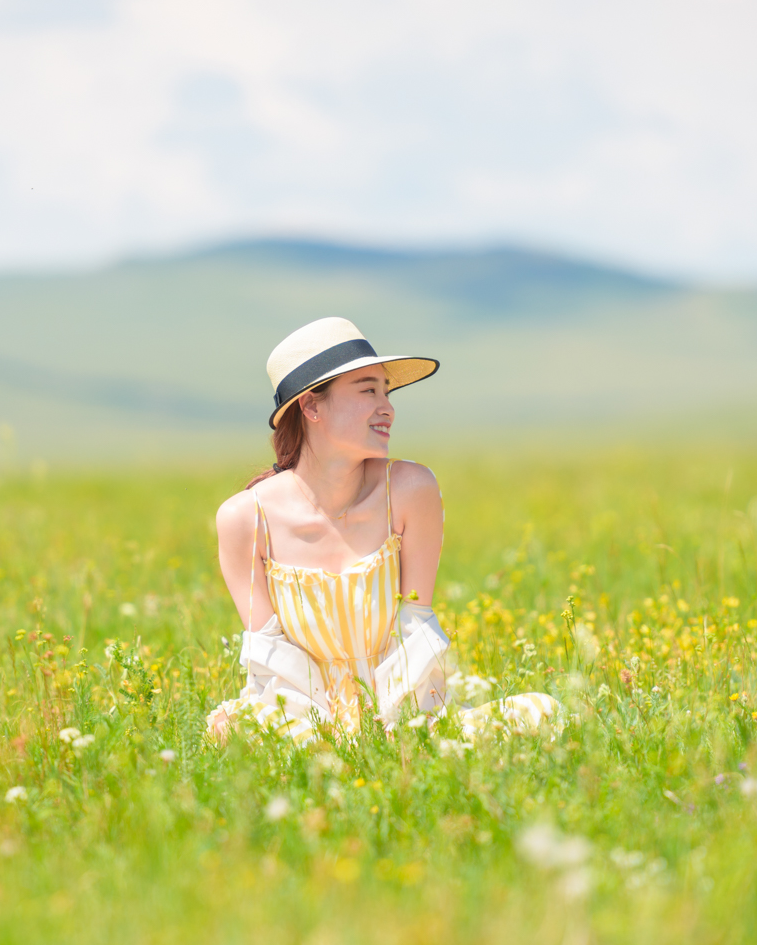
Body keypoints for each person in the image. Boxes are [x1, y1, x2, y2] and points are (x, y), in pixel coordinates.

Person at [205, 317, 557, 746]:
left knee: (543, 711)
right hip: (300, 715)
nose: (387, 408)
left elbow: (415, 631)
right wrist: (330, 735)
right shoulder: (245, 519)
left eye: (386, 392)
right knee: (233, 730)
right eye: (368, 391)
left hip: (405, 711)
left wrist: (395, 726)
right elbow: (272, 661)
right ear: (311, 407)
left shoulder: (409, 490)